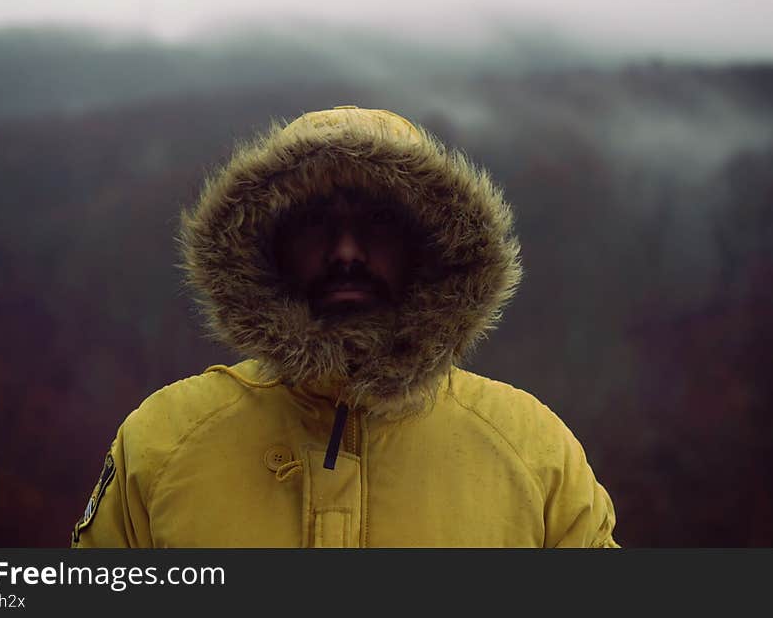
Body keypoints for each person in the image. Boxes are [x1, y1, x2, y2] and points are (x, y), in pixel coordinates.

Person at [71, 105, 619, 548]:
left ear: (427, 247)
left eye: (379, 223)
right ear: (270, 247)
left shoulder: (531, 451)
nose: (346, 252)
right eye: (315, 224)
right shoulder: (163, 443)